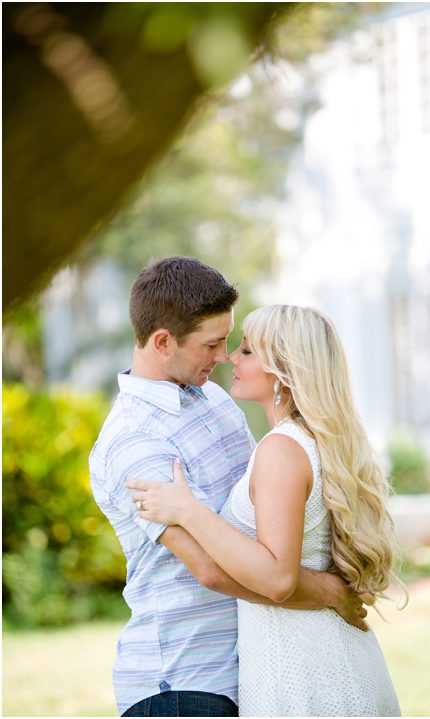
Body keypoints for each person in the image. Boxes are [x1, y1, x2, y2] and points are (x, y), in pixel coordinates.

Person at [90, 258, 365, 718]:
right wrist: (330, 593)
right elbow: (209, 569)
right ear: (162, 342)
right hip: (182, 683)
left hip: (253, 669)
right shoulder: (133, 442)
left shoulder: (215, 399)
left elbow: (266, 511)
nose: (223, 357)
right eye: (213, 344)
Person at [129, 304, 402, 717]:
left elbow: (277, 578)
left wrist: (188, 511)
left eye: (247, 351)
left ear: (284, 370)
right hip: (324, 656)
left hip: (305, 671)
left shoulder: (282, 449)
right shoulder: (306, 442)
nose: (230, 357)